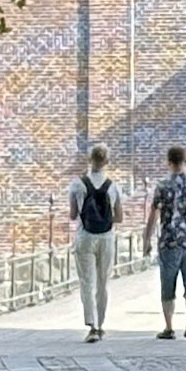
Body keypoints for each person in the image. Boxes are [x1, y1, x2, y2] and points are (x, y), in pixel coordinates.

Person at [144, 143, 186, 342]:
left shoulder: (163, 186)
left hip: (169, 241)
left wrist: (146, 238)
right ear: (184, 162)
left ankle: (169, 326)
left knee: (168, 285)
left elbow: (153, 214)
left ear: (169, 163)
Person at [65, 145, 128, 342]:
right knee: (103, 283)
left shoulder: (78, 185)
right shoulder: (113, 186)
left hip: (85, 237)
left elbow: (73, 215)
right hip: (106, 237)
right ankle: (101, 325)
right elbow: (119, 217)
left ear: (89, 159)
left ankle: (91, 325)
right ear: (107, 161)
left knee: (87, 282)